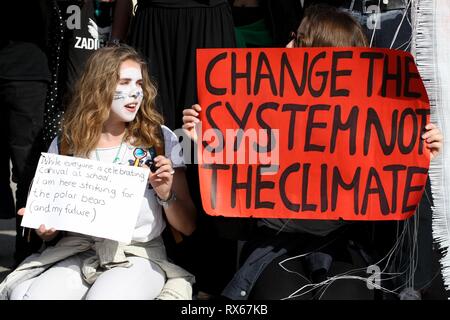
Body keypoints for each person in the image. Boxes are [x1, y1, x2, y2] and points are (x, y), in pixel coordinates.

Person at [182, 4, 443, 300]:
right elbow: (229, 205)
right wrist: (205, 144)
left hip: (345, 248)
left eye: (299, 40)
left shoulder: (368, 123)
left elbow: (389, 215)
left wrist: (415, 155)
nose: (287, 44)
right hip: (274, 248)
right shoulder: (258, 109)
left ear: (323, 59)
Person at [0, 45, 196, 300]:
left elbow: (188, 226)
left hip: (137, 255)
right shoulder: (66, 143)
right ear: (99, 87)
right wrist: (45, 228)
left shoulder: (159, 140)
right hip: (76, 251)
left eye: (139, 83)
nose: (135, 92)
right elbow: (50, 223)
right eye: (124, 82)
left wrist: (166, 194)